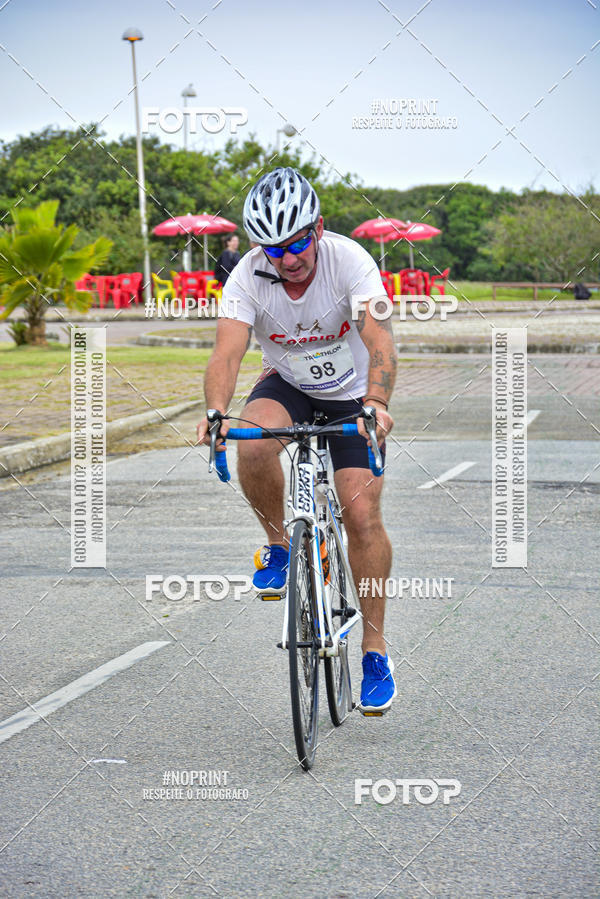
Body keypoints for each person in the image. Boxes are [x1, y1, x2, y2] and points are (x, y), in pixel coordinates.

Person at [197, 167, 397, 714]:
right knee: (252, 440)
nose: (288, 259)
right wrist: (215, 412)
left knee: (361, 516)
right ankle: (280, 545)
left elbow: (379, 338)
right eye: (273, 248)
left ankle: (374, 650)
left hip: (353, 395)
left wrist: (377, 404)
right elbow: (227, 353)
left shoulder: (350, 261)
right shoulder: (245, 277)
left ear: (319, 228)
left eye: (297, 243)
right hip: (288, 384)